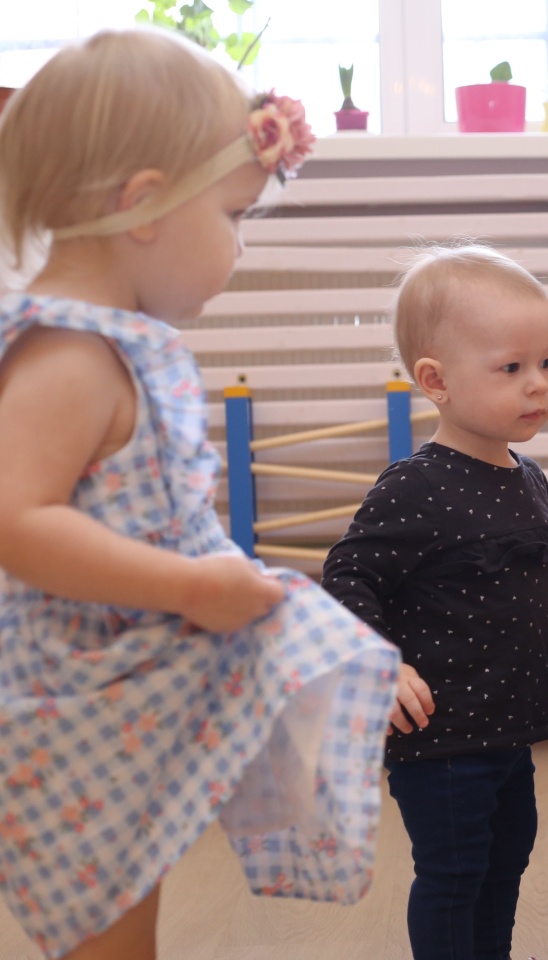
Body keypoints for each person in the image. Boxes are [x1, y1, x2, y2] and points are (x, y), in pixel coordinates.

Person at [0, 28, 401, 960]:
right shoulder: (70, 357)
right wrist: (191, 587)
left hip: (116, 690)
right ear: (144, 207)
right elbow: (16, 519)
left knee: (128, 901)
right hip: (69, 704)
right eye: (234, 217)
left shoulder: (117, 342)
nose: (238, 247)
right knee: (106, 930)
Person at [322, 245, 548, 960]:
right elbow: (347, 576)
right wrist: (379, 666)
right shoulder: (417, 485)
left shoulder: (527, 477)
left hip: (505, 729)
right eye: (512, 368)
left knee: (506, 861)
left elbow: (540, 590)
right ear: (435, 381)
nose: (538, 386)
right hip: (439, 738)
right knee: (454, 872)